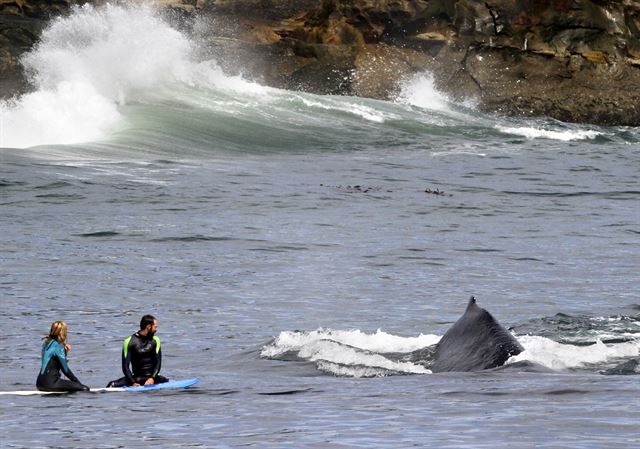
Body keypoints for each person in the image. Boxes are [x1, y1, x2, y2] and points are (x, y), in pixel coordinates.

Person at [106, 314, 168, 387]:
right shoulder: (129, 341)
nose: (156, 329)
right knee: (111, 385)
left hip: (154, 378)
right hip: (137, 378)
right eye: (155, 327)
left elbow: (158, 363)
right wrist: (132, 382)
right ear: (148, 327)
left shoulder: (155, 340)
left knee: (166, 380)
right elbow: (125, 366)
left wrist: (152, 378)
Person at [37, 321, 89, 392]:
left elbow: (54, 363)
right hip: (51, 383)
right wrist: (78, 384)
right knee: (85, 389)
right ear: (63, 332)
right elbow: (65, 370)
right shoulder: (59, 346)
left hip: (39, 383)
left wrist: (64, 352)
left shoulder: (46, 343)